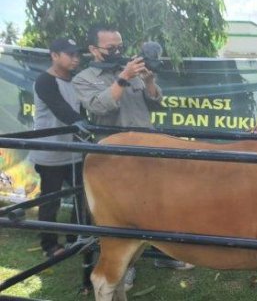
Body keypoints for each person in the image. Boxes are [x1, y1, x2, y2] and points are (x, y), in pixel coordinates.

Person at [72, 25, 192, 290]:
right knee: (119, 214)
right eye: (110, 48)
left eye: (120, 46)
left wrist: (149, 81)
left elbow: (156, 103)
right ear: (93, 50)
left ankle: (164, 254)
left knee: (157, 205)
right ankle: (123, 267)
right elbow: (100, 106)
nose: (117, 51)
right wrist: (123, 78)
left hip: (146, 153)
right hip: (114, 160)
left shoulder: (133, 70)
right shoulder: (84, 78)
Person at [29, 38, 86, 258]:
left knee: (83, 195)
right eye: (70, 54)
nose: (75, 59)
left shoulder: (75, 81)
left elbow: (82, 109)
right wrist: (83, 124)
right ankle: (49, 245)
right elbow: (60, 109)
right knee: (50, 201)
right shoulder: (45, 81)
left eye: (77, 55)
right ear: (54, 55)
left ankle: (76, 237)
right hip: (50, 152)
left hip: (74, 152)